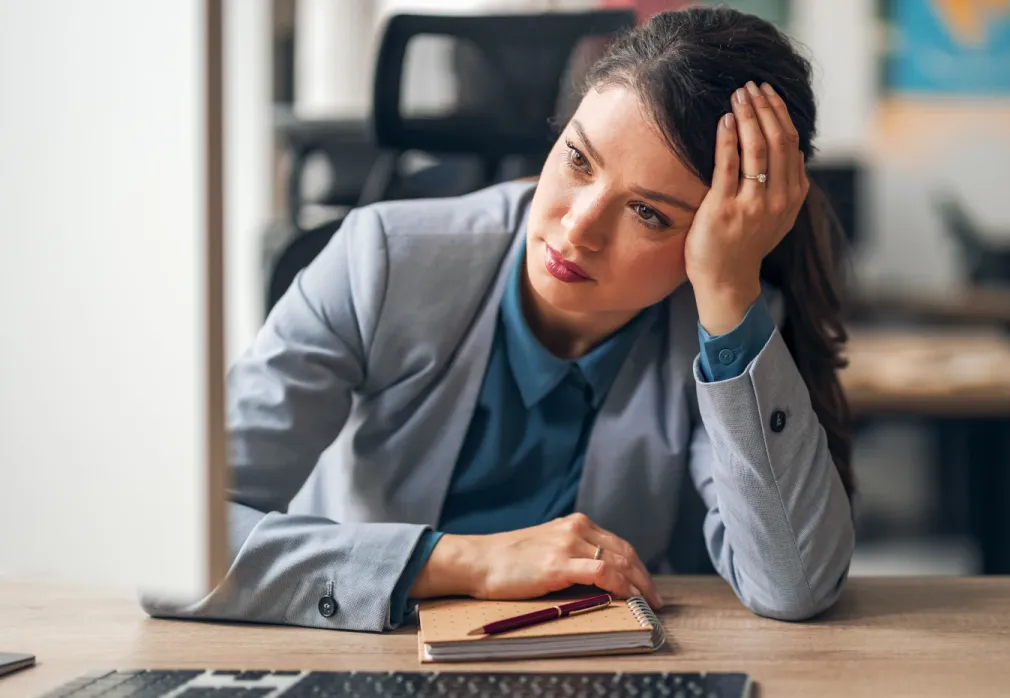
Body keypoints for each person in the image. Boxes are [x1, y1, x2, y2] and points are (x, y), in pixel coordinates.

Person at [142, 7, 856, 630]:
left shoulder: (718, 329)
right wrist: (459, 562)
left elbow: (792, 586)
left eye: (647, 213)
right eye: (577, 159)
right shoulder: (382, 261)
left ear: (720, 234)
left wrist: (730, 295)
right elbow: (173, 546)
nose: (577, 229)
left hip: (591, 676)